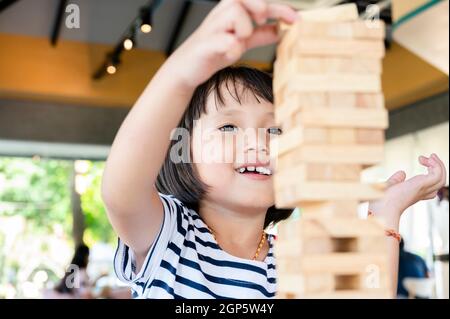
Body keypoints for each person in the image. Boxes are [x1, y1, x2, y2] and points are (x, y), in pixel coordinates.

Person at [101, 0, 447, 298]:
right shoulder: (169, 234)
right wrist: (184, 71)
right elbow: (121, 189)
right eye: (228, 126)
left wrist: (385, 213)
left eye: (276, 130)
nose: (258, 143)